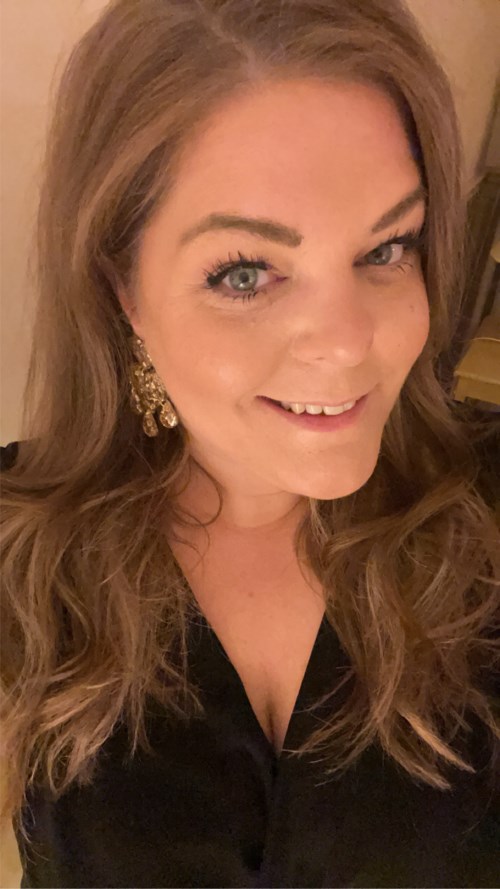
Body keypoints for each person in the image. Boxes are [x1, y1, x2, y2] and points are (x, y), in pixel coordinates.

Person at [1, 0, 499, 886]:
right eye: (244, 273)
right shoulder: (19, 542)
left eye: (388, 248)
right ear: (122, 290)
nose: (348, 344)